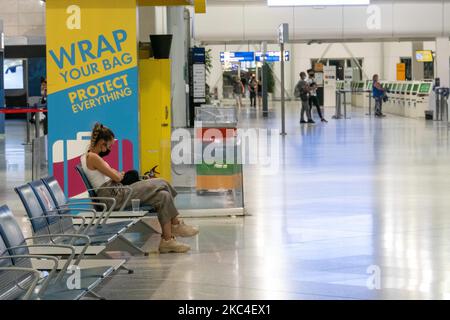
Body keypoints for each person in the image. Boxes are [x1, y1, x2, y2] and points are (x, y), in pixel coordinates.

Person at [81, 123, 199, 254]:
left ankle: (167, 241)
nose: (110, 148)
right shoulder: (93, 157)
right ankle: (176, 224)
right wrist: (117, 175)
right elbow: (117, 177)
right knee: (163, 183)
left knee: (163, 196)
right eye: (109, 145)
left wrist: (116, 174)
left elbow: (113, 174)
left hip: (115, 193)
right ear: (102, 142)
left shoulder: (90, 156)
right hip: (114, 197)